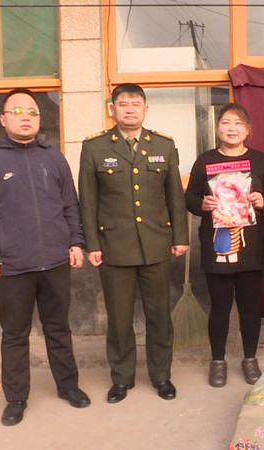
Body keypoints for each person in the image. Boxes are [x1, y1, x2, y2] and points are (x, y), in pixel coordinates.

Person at [0, 88, 90, 426]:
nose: (25, 117)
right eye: (17, 111)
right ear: (3, 119)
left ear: (39, 119)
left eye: (32, 112)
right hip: (11, 265)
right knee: (15, 334)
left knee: (58, 328)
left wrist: (76, 243)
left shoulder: (54, 159)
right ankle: (16, 397)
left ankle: (68, 385)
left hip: (56, 262)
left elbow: (70, 206)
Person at [78, 84, 189, 403]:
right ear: (112, 108)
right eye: (123, 103)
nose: (130, 109)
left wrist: (180, 236)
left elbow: (174, 195)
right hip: (114, 246)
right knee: (119, 318)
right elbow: (88, 200)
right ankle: (122, 378)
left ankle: (161, 376)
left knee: (159, 316)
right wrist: (92, 244)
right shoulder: (95, 147)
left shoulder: (163, 144)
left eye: (136, 103)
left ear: (145, 109)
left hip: (156, 243)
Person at [186, 103, 264, 387]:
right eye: (226, 122)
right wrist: (202, 203)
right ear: (218, 128)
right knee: (220, 306)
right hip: (217, 243)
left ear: (247, 130)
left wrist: (263, 201)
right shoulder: (205, 161)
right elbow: (190, 197)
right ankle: (218, 361)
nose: (232, 128)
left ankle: (250, 359)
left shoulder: (259, 160)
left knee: (249, 306)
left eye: (238, 123)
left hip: (251, 244)